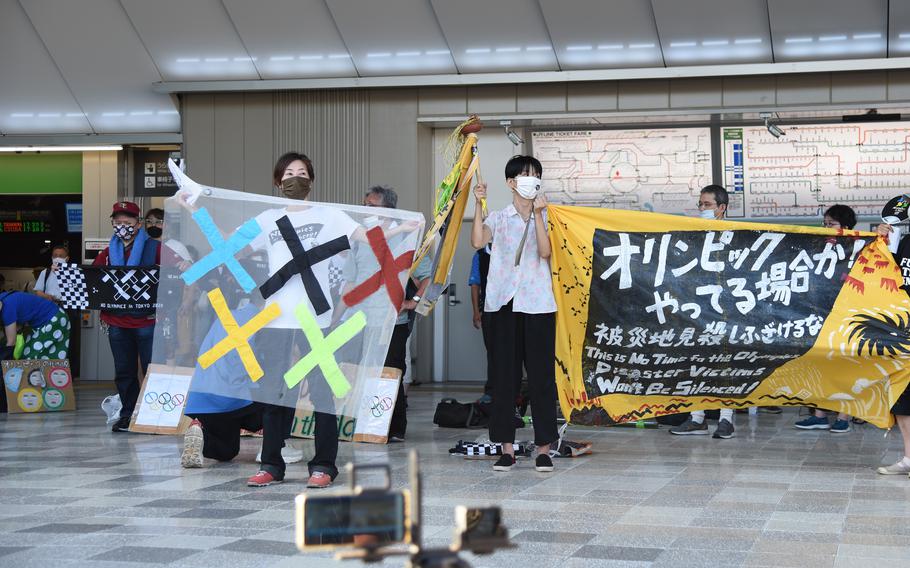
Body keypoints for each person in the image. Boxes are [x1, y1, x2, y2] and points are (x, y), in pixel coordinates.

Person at [471, 155, 558, 473]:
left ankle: (544, 448)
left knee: (541, 380)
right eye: (524, 175)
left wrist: (538, 215)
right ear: (511, 182)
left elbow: (546, 252)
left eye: (536, 175)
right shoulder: (499, 216)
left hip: (538, 305)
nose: (531, 180)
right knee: (504, 379)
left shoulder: (548, 216)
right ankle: (506, 448)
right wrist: (479, 204)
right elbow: (477, 241)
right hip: (502, 305)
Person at [363, 185, 431, 441]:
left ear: (389, 210)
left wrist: (412, 300)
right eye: (365, 205)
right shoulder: (362, 239)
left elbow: (428, 278)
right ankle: (368, 425)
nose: (366, 210)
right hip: (362, 320)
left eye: (372, 206)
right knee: (365, 372)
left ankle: (393, 428)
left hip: (393, 321)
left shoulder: (406, 241)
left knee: (391, 372)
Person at [670, 185, 738, 439]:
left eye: (707, 205)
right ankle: (697, 417)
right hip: (697, 307)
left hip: (726, 309)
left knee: (726, 365)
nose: (702, 209)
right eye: (700, 204)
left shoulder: (735, 234)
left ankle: (726, 418)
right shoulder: (694, 234)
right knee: (696, 361)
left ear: (722, 208)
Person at [93, 201, 161, 433]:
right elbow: (94, 279)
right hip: (117, 321)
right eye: (118, 222)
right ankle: (128, 414)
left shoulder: (156, 248)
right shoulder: (107, 253)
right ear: (112, 223)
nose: (123, 226)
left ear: (138, 223)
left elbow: (176, 273)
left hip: (148, 319)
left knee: (153, 369)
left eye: (128, 222)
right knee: (124, 371)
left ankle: (154, 414)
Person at [794, 204, 859, 433]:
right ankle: (819, 415)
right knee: (822, 366)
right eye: (825, 224)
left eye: (831, 224)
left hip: (849, 318)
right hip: (822, 316)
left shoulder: (860, 250)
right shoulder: (820, 248)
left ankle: (844, 417)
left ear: (847, 227)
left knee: (846, 369)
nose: (826, 228)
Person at [872, 219, 910, 475]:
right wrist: (881, 240)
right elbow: (882, 271)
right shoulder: (905, 242)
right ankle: (909, 458)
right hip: (904, 330)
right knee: (902, 399)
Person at [0, 291, 70, 361]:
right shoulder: (3, 298)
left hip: (54, 319)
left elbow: (11, 342)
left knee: (29, 357)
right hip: (51, 318)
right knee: (32, 353)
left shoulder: (7, 310)